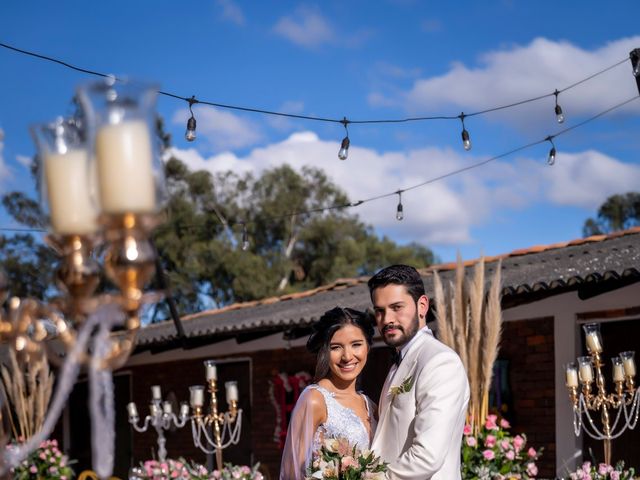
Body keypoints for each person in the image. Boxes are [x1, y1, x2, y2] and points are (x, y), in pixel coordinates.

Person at [368, 264, 469, 480]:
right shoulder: (399, 361)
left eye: (397, 307)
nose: (387, 320)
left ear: (422, 305)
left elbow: (427, 456)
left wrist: (372, 477)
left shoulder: (440, 362)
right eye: (380, 311)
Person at [279, 307, 378, 480]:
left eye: (356, 344)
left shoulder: (370, 404)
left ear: (368, 347)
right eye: (336, 347)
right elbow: (290, 472)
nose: (347, 356)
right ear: (325, 351)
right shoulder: (314, 399)